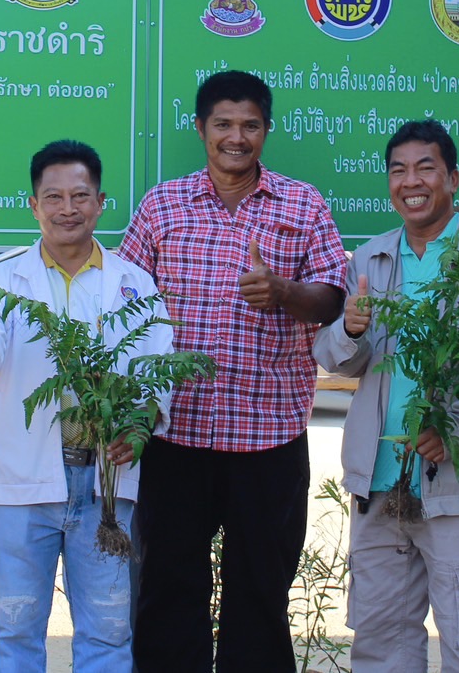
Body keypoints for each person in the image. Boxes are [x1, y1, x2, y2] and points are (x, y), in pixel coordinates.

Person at [120, 69, 347, 673]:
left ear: (267, 131)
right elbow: (120, 303)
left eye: (250, 125)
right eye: (223, 124)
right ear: (201, 130)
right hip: (174, 438)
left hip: (268, 440)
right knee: (168, 593)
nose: (236, 137)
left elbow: (332, 298)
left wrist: (283, 292)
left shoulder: (303, 204)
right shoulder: (161, 206)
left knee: (261, 596)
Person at [314, 120, 459, 672]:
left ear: (453, 179)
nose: (410, 181)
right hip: (379, 486)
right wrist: (353, 330)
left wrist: (454, 431)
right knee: (380, 642)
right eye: (398, 170)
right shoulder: (369, 260)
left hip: (456, 492)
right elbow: (337, 359)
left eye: (425, 168)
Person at [0, 139, 175, 673]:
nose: (67, 208)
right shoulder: (5, 277)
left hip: (103, 481)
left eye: (80, 195)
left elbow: (157, 373)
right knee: (17, 627)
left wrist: (142, 426)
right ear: (33, 205)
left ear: (101, 202)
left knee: (106, 629)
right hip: (24, 481)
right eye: (52, 196)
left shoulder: (133, 283)